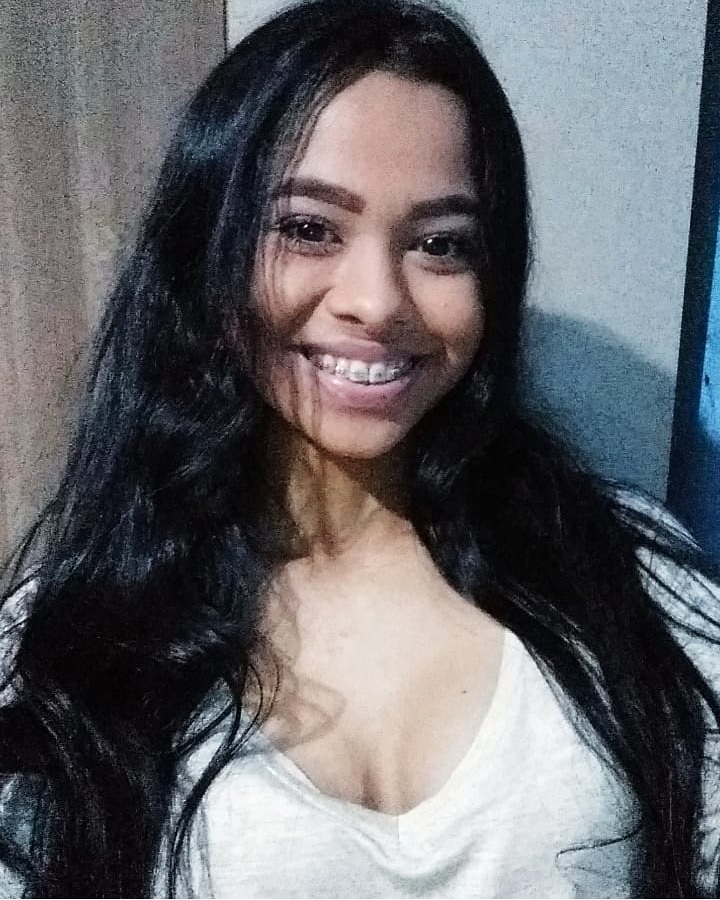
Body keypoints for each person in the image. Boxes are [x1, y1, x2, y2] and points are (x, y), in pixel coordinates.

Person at [1, 0, 719, 896]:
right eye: (309, 228)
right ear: (207, 248)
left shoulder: (623, 574)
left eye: (440, 244)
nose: (377, 302)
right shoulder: (69, 639)